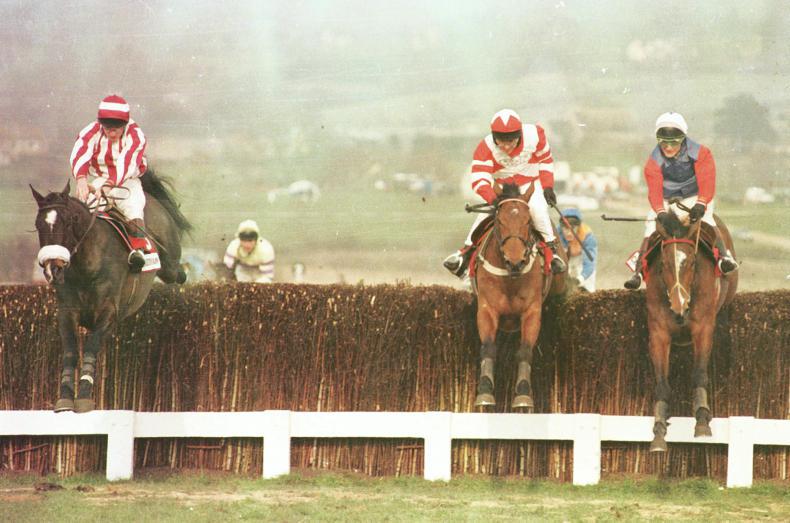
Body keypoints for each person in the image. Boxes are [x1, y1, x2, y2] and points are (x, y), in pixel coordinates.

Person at [443, 109, 567, 277]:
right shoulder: (485, 147)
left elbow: (545, 160)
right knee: (484, 216)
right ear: (494, 137)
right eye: (501, 142)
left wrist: (547, 187)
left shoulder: (536, 135)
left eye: (511, 141)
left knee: (537, 210)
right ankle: (464, 254)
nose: (507, 147)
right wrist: (493, 199)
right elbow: (479, 179)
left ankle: (552, 253)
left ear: (520, 135)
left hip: (530, 184)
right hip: (502, 189)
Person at [624, 112, 738, 290]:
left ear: (683, 138)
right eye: (663, 142)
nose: (668, 147)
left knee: (707, 219)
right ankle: (638, 272)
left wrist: (701, 203)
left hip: (695, 196)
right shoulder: (653, 160)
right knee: (650, 226)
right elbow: (654, 191)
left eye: (674, 142)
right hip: (666, 199)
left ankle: (724, 258)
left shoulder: (701, 153)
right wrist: (660, 212)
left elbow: (707, 181)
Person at [70, 94, 151, 272]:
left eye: (116, 129)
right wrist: (81, 179)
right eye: (107, 128)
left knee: (132, 203)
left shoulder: (136, 134)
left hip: (127, 179)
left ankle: (138, 249)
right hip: (100, 178)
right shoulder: (91, 131)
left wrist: (109, 185)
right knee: (83, 207)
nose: (111, 133)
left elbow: (126, 162)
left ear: (125, 124)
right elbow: (81, 152)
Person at [557, 208, 597, 292]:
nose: (569, 233)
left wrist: (580, 279)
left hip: (581, 257)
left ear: (578, 227)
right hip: (565, 257)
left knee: (587, 281)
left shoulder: (588, 235)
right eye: (565, 228)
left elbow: (590, 262)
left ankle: (589, 292)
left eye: (572, 228)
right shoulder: (557, 233)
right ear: (561, 227)